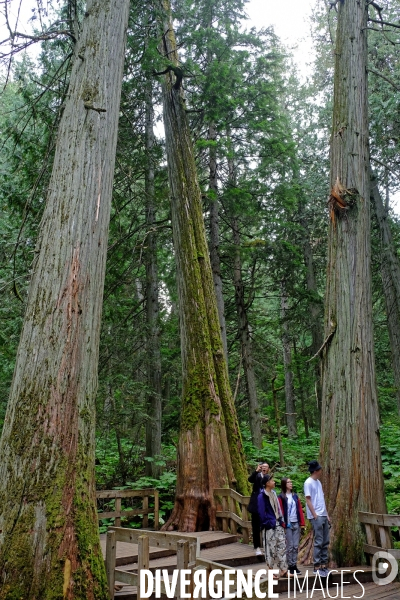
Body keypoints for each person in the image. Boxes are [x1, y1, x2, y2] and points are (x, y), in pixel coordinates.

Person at [304, 460, 331, 577]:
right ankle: (317, 566)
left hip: (323, 514)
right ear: (315, 471)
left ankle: (324, 565)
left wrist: (327, 514)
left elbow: (322, 499)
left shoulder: (318, 482)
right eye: (319, 470)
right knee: (319, 540)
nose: (321, 472)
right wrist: (314, 515)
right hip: (316, 516)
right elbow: (308, 499)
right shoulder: (308, 483)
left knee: (325, 541)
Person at [257, 474, 288, 578]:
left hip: (278, 523)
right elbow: (261, 513)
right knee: (270, 548)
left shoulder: (274, 493)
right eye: (272, 480)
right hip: (269, 525)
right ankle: (270, 570)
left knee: (282, 545)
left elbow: (278, 508)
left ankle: (283, 569)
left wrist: (281, 520)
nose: (274, 482)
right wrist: (268, 523)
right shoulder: (262, 496)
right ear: (267, 483)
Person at [278, 478, 305, 575]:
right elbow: (280, 511)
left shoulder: (295, 496)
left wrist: (302, 523)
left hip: (295, 522)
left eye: (291, 482)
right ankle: (289, 566)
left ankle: (294, 565)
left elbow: (299, 510)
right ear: (284, 484)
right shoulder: (281, 497)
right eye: (289, 482)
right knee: (289, 546)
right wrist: (282, 524)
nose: (291, 483)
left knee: (295, 546)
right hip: (287, 524)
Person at [248, 462, 270, 556]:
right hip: (256, 506)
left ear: (268, 469)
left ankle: (266, 547)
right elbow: (250, 480)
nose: (264, 469)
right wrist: (256, 471)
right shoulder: (257, 476)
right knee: (256, 527)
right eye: (262, 467)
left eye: (266, 467)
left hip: (266, 506)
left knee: (266, 527)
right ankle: (257, 547)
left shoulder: (269, 478)